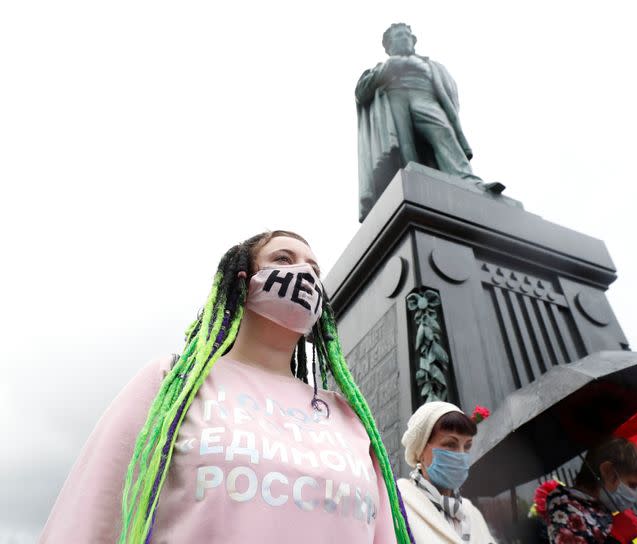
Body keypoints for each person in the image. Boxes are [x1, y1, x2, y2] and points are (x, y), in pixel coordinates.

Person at [40, 230, 413, 543]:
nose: (305, 274)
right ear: (240, 280)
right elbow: (92, 516)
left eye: (315, 268)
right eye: (283, 259)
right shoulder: (172, 385)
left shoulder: (349, 419)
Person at [355, 23, 502, 222]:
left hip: (424, 97)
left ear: (414, 40)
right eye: (398, 36)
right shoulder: (380, 68)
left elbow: (448, 92)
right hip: (395, 97)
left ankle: (469, 182)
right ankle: (413, 187)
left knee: (444, 134)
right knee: (404, 145)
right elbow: (361, 92)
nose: (404, 39)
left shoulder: (431, 65)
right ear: (388, 46)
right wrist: (390, 68)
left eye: (407, 35)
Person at [397, 401, 495, 543]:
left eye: (467, 446)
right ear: (421, 452)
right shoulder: (398, 503)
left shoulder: (472, 513)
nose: (461, 455)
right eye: (450, 444)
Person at [545, 438, 637, 544]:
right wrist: (617, 537)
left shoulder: (600, 508)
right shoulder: (564, 506)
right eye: (632, 485)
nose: (635, 494)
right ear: (608, 472)